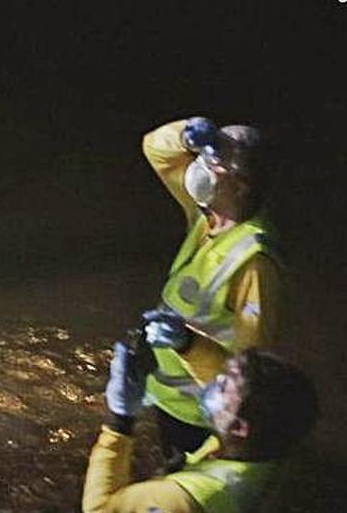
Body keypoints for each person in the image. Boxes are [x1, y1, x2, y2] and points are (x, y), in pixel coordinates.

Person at [141, 117, 280, 461]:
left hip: (202, 412)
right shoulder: (207, 217)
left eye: (213, 164)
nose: (200, 168)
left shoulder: (255, 262)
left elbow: (251, 372)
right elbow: (155, 149)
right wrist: (189, 135)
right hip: (168, 397)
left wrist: (186, 344)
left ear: (241, 185)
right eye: (203, 157)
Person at [84, 315, 317, 512]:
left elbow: (100, 508)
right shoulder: (271, 440)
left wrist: (120, 421)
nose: (215, 381)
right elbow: (246, 392)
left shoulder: (182, 499)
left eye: (224, 386)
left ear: (239, 427)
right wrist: (188, 344)